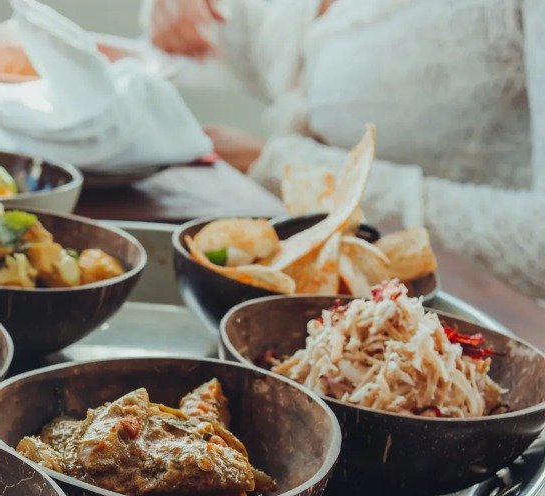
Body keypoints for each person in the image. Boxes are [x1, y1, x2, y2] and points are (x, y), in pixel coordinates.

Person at [144, 0, 545, 299]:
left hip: (461, 319)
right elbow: (300, 59)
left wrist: (280, 166)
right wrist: (195, 13)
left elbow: (537, 242)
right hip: (308, 295)